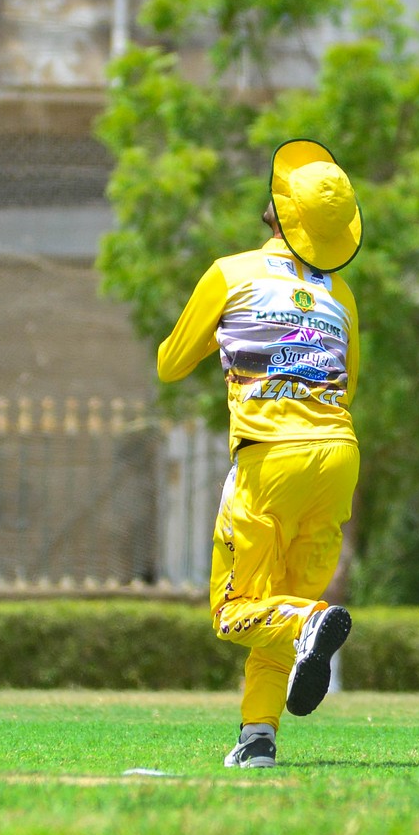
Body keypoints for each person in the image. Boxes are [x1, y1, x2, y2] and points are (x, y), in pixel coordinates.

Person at [157, 139, 363, 769]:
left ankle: (310, 624)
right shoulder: (341, 295)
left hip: (271, 458)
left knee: (236, 611)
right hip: (338, 457)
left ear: (278, 210)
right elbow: (348, 384)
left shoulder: (230, 273)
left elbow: (170, 363)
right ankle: (257, 740)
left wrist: (229, 340)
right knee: (282, 606)